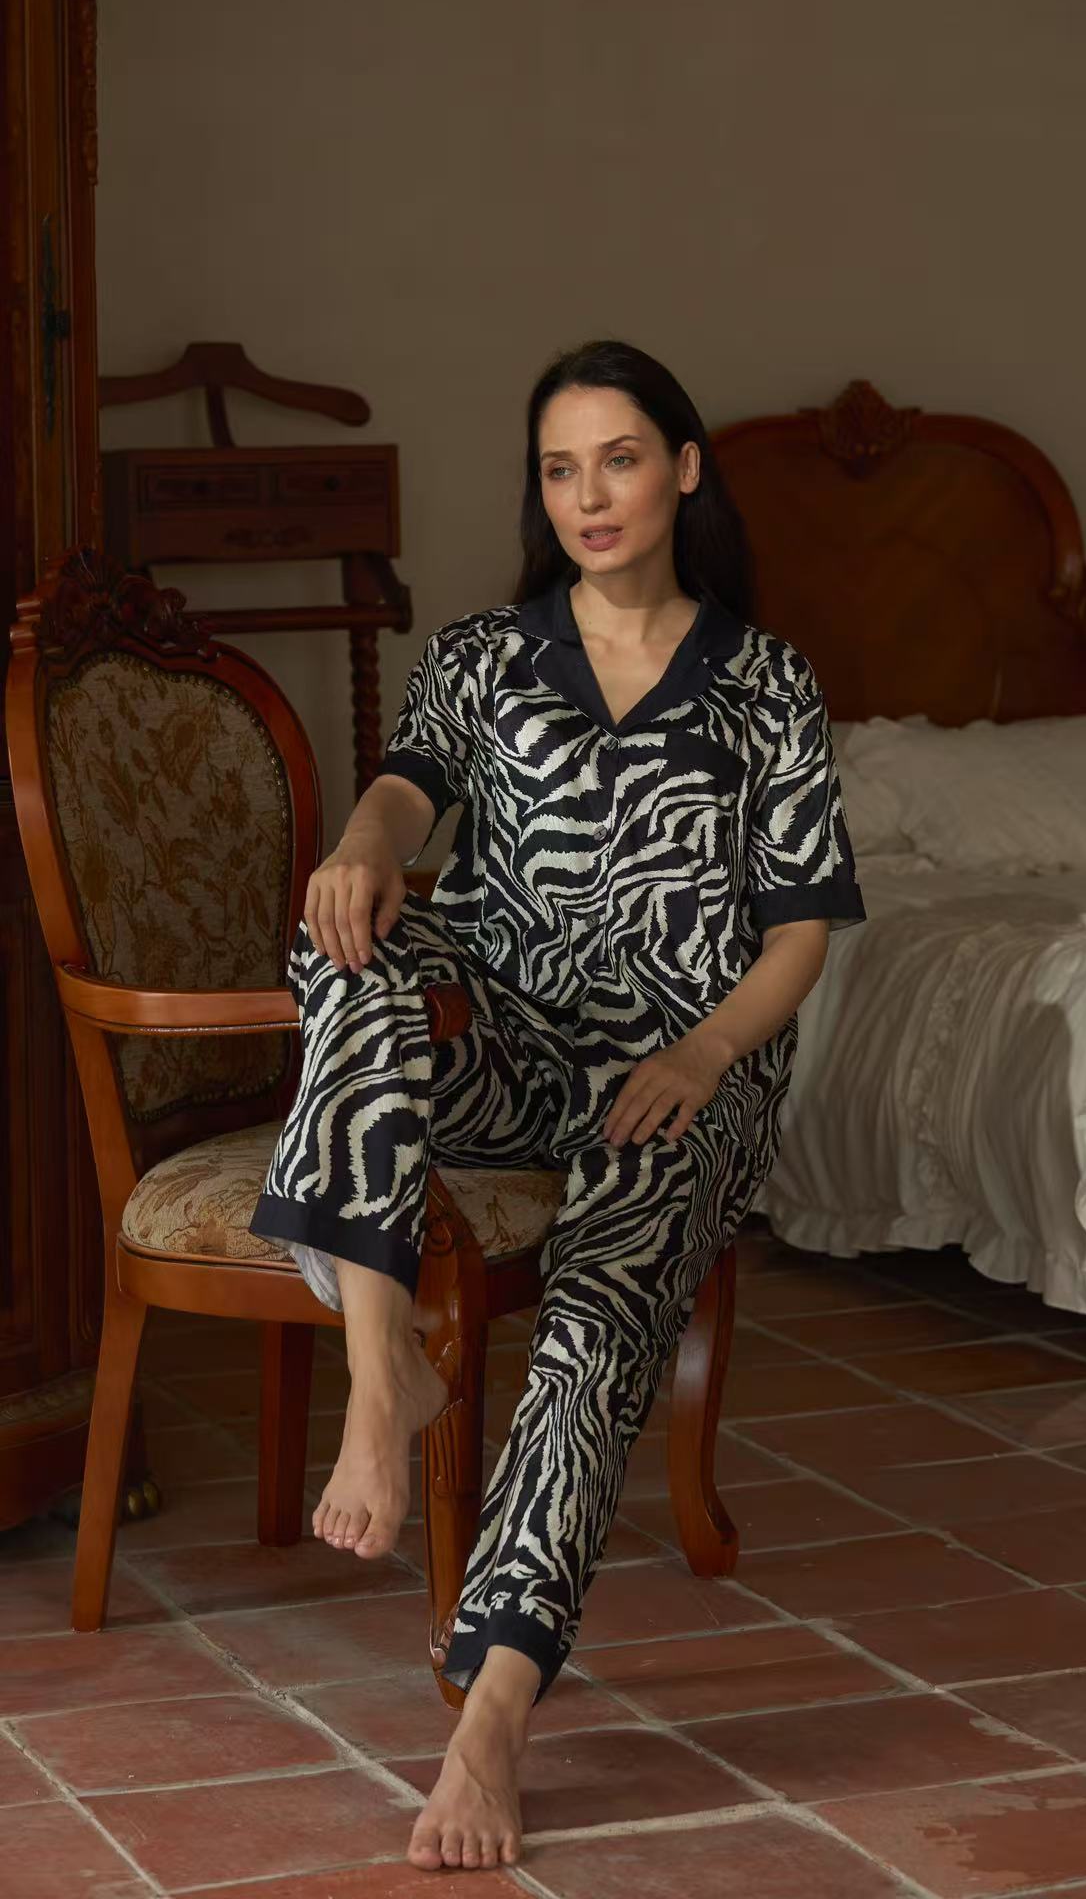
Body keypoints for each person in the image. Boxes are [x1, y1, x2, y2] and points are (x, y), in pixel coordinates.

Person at [249, 338, 866, 1874]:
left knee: (595, 1324)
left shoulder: (767, 682)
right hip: (511, 1039)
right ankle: (383, 1377)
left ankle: (495, 1718)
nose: (589, 494)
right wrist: (365, 843)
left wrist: (706, 1057)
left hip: (680, 1070)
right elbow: (410, 786)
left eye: (620, 458)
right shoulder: (483, 656)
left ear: (684, 471)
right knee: (350, 946)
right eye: (560, 467)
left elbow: (800, 934)